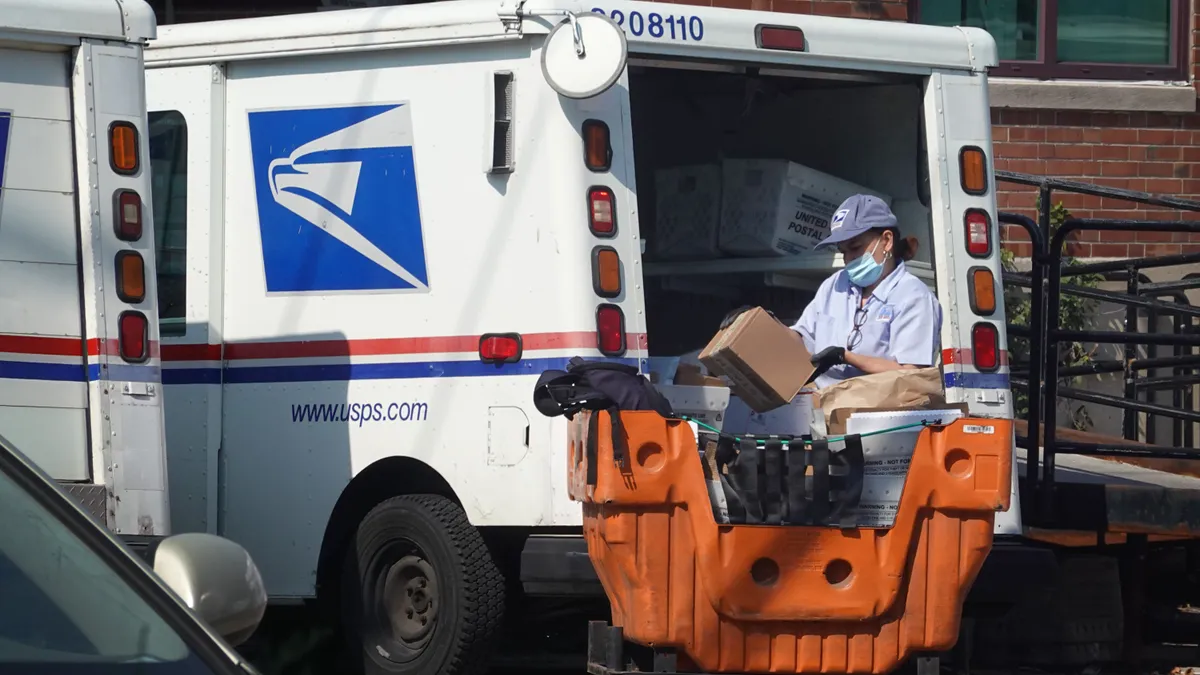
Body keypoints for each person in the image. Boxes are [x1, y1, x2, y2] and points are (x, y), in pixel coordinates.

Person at [722, 194, 942, 390]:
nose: (848, 260)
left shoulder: (914, 297)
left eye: (855, 247)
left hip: (881, 419)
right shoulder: (835, 285)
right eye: (843, 251)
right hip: (824, 412)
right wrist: (761, 320)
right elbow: (801, 340)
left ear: (886, 240)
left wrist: (846, 357)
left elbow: (912, 376)